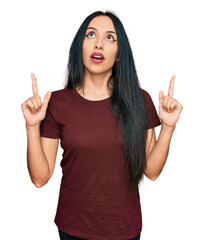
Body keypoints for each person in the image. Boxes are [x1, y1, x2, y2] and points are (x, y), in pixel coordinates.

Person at [21, 10, 183, 240]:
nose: (98, 44)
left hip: (124, 230)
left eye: (109, 38)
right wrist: (31, 126)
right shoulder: (57, 102)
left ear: (118, 54)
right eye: (90, 35)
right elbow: (39, 178)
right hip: (72, 229)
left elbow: (152, 171)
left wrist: (168, 127)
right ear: (81, 47)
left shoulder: (139, 100)